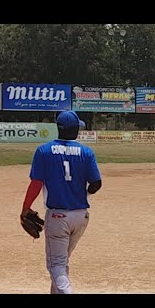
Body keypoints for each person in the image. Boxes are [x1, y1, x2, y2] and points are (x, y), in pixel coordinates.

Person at [20, 110, 102, 294]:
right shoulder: (87, 152)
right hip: (81, 217)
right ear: (75, 130)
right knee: (61, 262)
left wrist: (25, 209)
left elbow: (36, 184)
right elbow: (96, 184)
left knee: (56, 265)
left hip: (58, 217)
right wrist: (84, 195)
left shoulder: (44, 151)